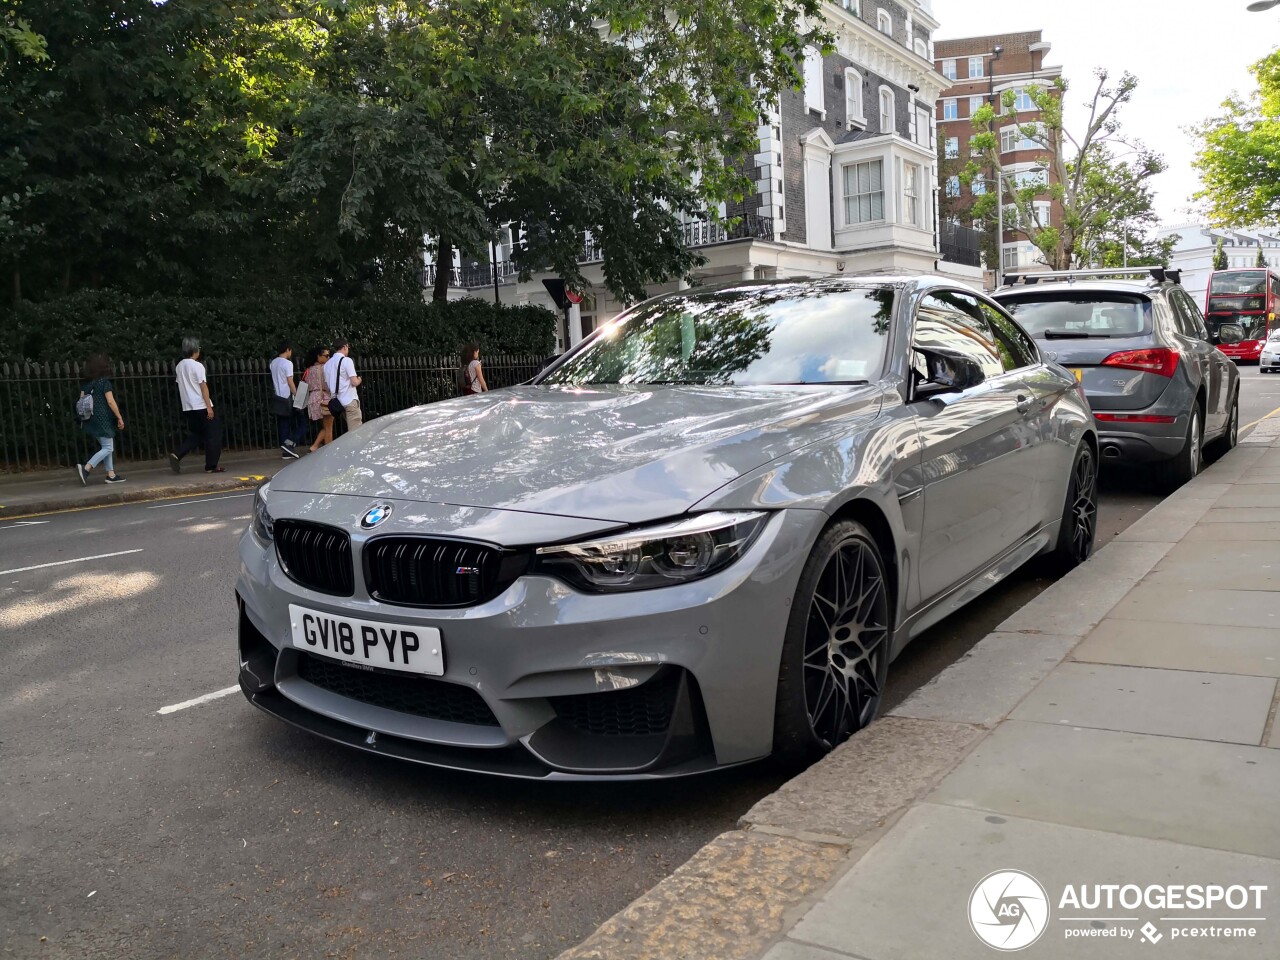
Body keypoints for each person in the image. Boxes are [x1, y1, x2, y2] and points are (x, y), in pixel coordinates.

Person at [169, 337, 224, 473]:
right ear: (194, 350)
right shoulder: (197, 366)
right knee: (214, 434)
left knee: (198, 434)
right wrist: (209, 407)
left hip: (188, 407)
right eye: (198, 348)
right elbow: (203, 387)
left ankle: (178, 453)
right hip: (201, 405)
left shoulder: (179, 366)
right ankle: (211, 465)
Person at [76, 354, 126, 485]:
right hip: (102, 419)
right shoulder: (104, 383)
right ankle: (86, 468)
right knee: (108, 448)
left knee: (106, 446)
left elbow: (81, 401)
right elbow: (110, 401)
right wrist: (119, 417)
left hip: (89, 419)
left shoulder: (86, 384)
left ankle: (111, 475)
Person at [270, 340, 306, 460]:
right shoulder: (287, 364)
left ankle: (286, 451)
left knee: (283, 424)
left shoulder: (273, 363)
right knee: (302, 423)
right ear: (287, 350)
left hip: (278, 398)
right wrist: (297, 395)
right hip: (287, 397)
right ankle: (289, 443)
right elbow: (289, 381)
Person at [323, 338, 363, 430]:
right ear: (344, 347)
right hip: (349, 400)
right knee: (356, 432)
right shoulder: (346, 361)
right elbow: (354, 382)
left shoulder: (327, 365)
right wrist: (359, 379)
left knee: (349, 433)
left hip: (338, 403)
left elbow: (327, 386)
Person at [304, 345, 334, 452]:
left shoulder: (309, 370)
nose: (328, 358)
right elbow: (328, 385)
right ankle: (327, 450)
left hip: (313, 399)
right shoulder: (324, 368)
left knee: (326, 426)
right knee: (329, 427)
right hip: (323, 397)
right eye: (326, 356)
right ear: (318, 356)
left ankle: (315, 446)